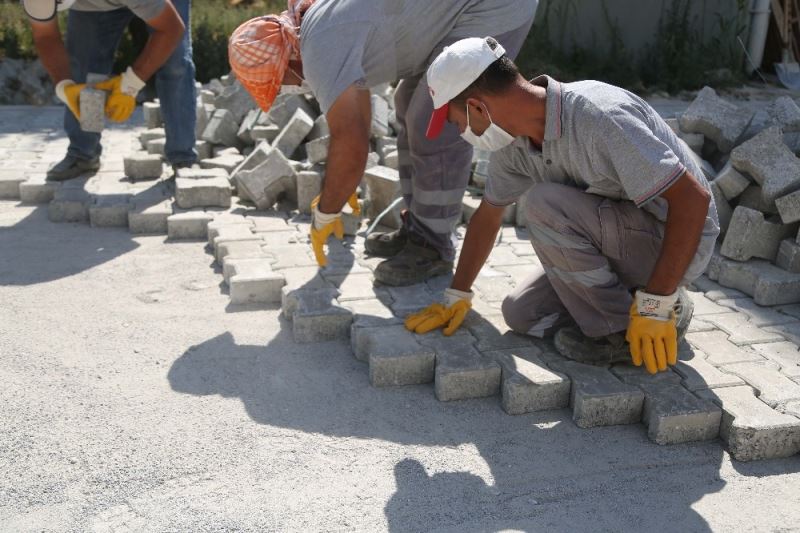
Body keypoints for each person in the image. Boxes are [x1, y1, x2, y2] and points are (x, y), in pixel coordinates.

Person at [405, 37, 720, 375]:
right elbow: (488, 215)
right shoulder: (513, 144)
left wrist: (654, 304)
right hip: (620, 236)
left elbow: (692, 201)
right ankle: (642, 302)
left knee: (544, 204)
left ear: (478, 108)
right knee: (521, 313)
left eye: (456, 122)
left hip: (675, 239)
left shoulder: (598, 116)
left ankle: (626, 328)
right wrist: (457, 293)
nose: (461, 132)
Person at [228, 0, 538, 285]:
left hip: (492, 7)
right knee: (406, 101)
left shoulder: (319, 47)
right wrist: (342, 183)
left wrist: (327, 211)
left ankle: (433, 245)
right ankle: (419, 228)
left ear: (286, 64)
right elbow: (357, 129)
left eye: (279, 84)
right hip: (458, 11)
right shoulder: (315, 28)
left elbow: (352, 142)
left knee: (431, 122)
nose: (288, 89)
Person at [23, 0, 197, 181]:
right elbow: (45, 37)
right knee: (85, 69)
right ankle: (83, 153)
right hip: (90, 5)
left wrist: (131, 84)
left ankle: (182, 156)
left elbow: (171, 29)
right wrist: (64, 87)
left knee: (175, 65)